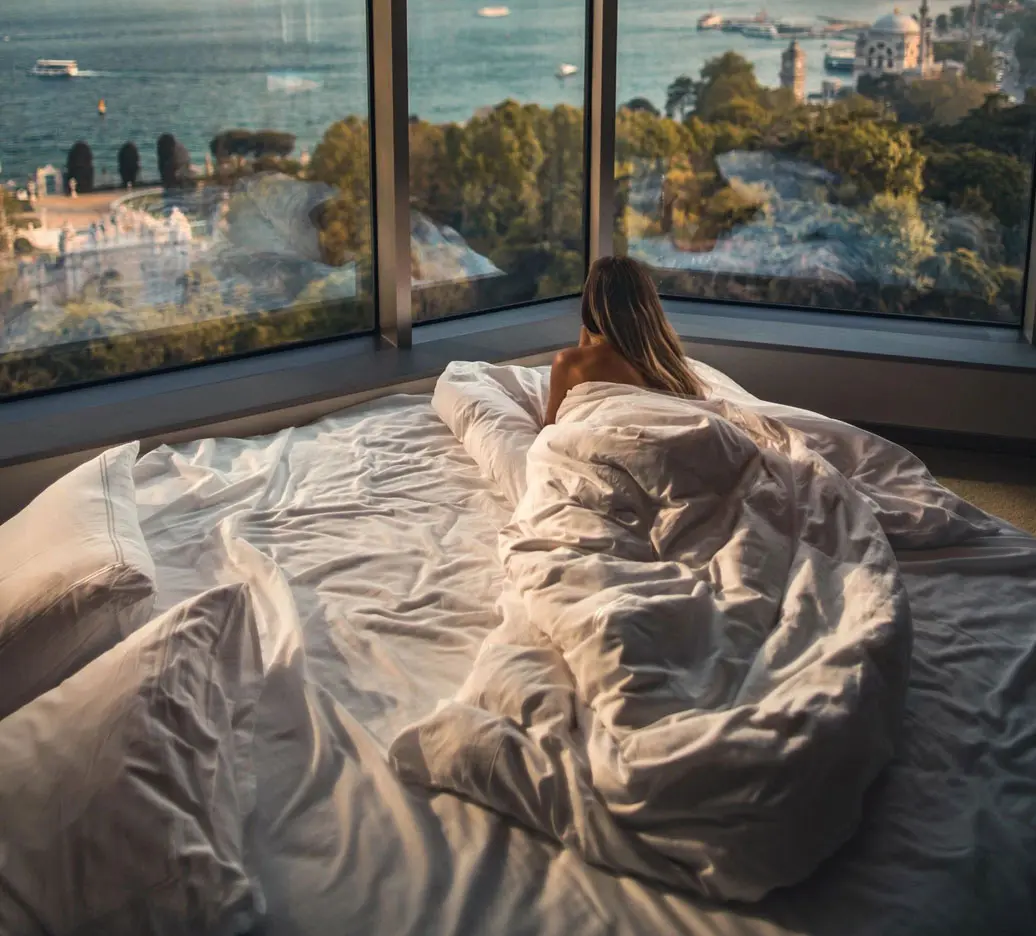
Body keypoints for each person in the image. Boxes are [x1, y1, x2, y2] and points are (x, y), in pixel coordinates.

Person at [544, 256, 705, 425]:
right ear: (648, 303)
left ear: (591, 303)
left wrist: (583, 347)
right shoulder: (669, 365)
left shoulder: (570, 363)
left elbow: (550, 427)